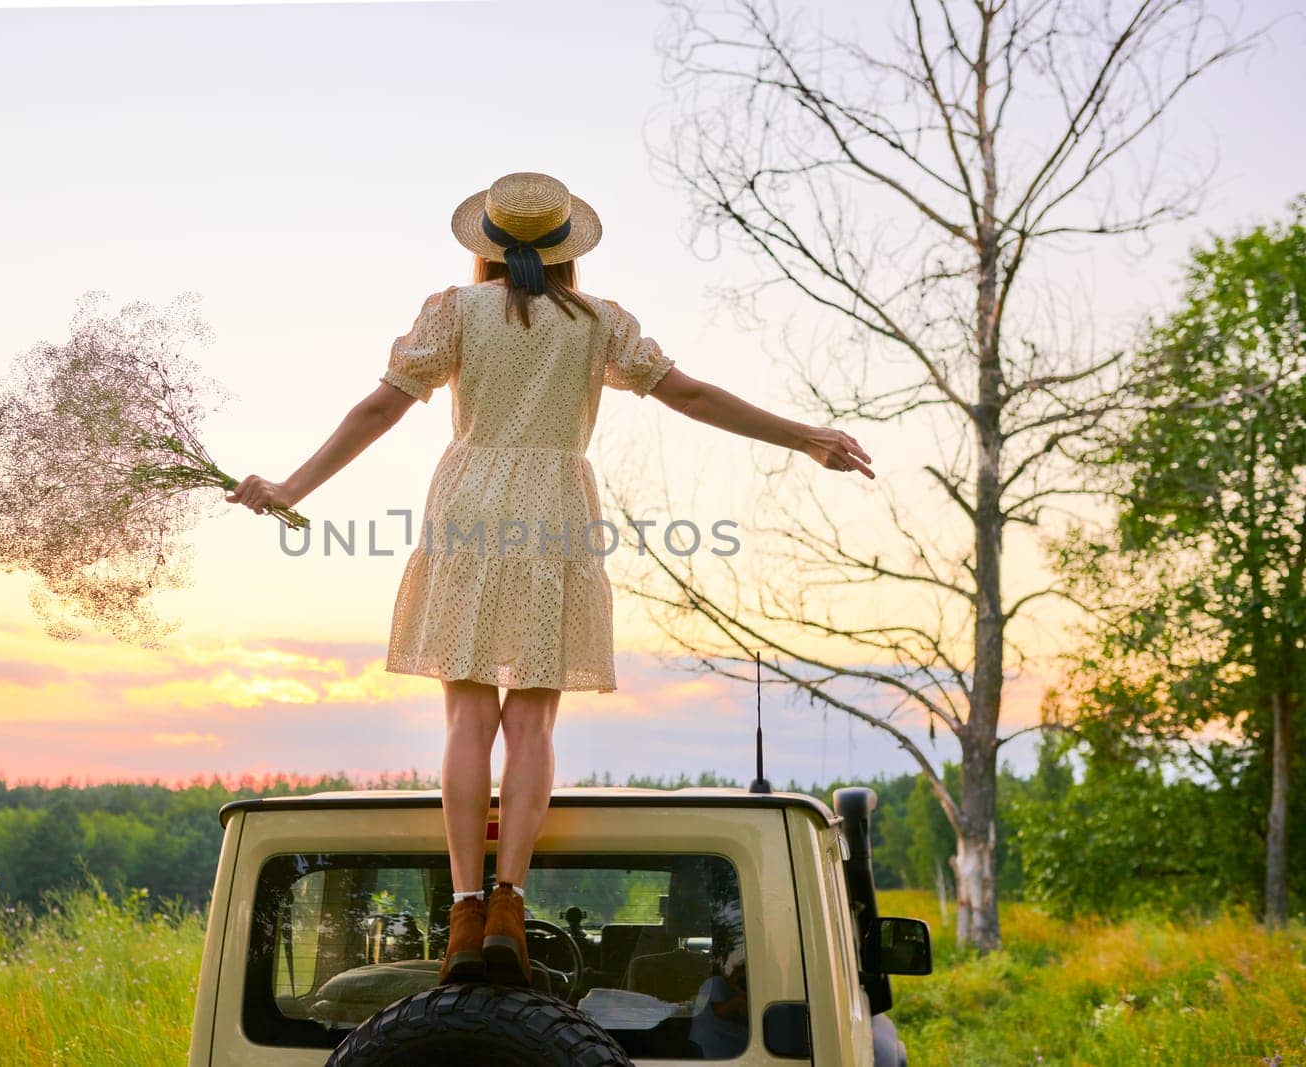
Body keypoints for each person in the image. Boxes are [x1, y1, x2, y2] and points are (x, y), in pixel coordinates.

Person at [226, 171, 874, 987]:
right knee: (530, 724)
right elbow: (696, 395)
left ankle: (464, 911)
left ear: (487, 247)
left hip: (467, 506)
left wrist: (290, 485)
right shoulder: (601, 324)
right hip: (557, 510)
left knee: (466, 720)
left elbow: (378, 410)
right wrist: (805, 435)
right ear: (569, 250)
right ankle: (509, 904)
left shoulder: (453, 314)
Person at [689, 945, 750, 1058]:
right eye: (740, 978)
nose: (742, 983)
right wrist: (739, 1000)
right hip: (707, 1045)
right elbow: (719, 1011)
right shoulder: (716, 983)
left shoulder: (728, 989)